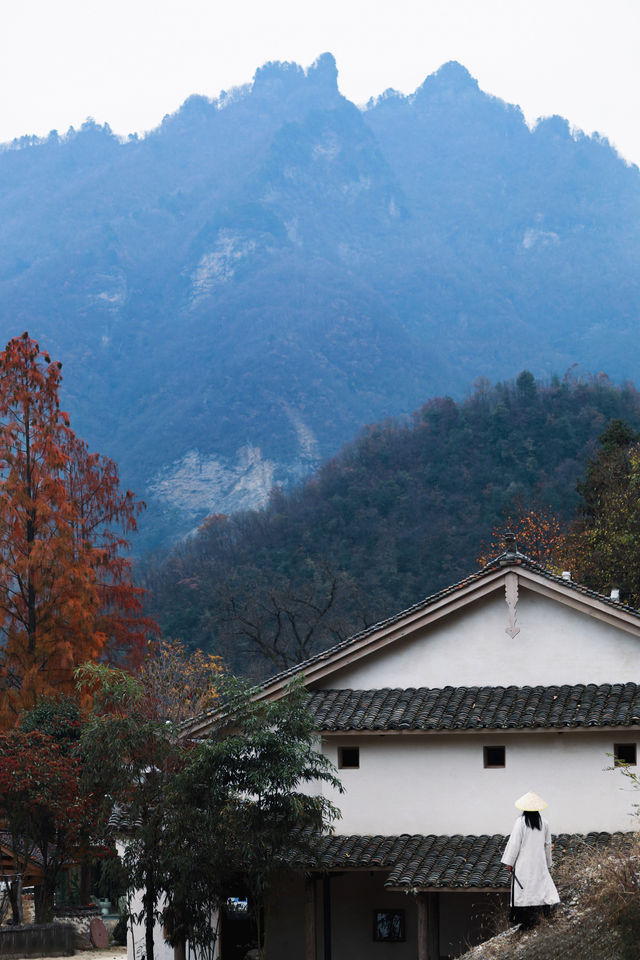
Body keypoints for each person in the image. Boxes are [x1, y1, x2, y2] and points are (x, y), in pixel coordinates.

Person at [501, 790, 560, 929]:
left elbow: (515, 843)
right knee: (539, 888)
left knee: (524, 889)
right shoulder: (544, 823)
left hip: (523, 863)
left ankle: (525, 921)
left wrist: (510, 862)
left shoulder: (520, 823)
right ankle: (541, 917)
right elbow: (547, 845)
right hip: (539, 863)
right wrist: (547, 863)